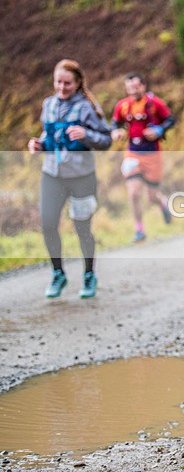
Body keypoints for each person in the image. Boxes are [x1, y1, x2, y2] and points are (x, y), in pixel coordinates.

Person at [27, 60, 111, 299]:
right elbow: (48, 135)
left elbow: (105, 140)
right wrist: (39, 144)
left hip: (81, 176)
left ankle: (88, 274)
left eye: (67, 83)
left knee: (82, 228)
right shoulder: (49, 104)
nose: (61, 87)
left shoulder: (86, 108)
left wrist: (87, 134)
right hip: (52, 174)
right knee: (48, 224)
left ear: (77, 84)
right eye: (58, 82)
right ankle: (58, 273)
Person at [111, 72, 176, 242]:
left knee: (152, 196)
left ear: (143, 86)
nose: (132, 90)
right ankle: (139, 229)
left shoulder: (154, 103)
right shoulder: (123, 106)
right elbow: (115, 122)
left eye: (136, 87)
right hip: (132, 152)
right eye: (129, 88)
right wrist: (117, 131)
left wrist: (159, 130)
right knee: (133, 192)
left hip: (152, 154)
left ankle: (162, 203)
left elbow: (170, 119)